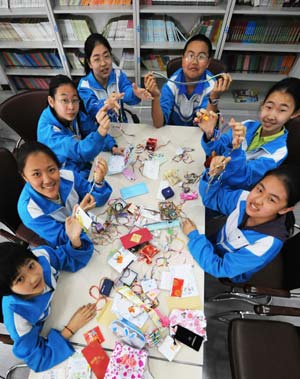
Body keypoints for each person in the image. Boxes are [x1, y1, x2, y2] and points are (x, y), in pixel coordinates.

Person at [0, 215, 96, 372]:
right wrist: (70, 329)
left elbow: (67, 258)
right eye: (19, 279)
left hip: (68, 298)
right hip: (51, 326)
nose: (33, 278)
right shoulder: (16, 316)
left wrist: (74, 241)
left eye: (31, 266)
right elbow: (37, 358)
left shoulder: (41, 256)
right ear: (8, 290)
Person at [182, 164, 300, 284]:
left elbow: (220, 268)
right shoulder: (244, 198)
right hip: (213, 245)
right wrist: (212, 176)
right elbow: (212, 198)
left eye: (271, 200)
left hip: (227, 271)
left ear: (284, 210)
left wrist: (194, 237)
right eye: (259, 189)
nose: (257, 200)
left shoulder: (266, 243)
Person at [196, 77, 300, 190]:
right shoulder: (247, 125)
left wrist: (236, 149)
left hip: (236, 194)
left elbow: (244, 178)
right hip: (215, 179)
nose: (271, 116)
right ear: (262, 104)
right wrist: (210, 134)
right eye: (269, 107)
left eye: (282, 110)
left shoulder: (279, 152)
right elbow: (217, 150)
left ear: (294, 113)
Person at [17, 142, 112, 248]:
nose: (47, 180)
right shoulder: (29, 210)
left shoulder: (67, 176)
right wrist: (80, 215)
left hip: (89, 227)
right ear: (25, 177)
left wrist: (98, 182)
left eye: (51, 169)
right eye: (36, 174)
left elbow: (94, 196)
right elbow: (63, 239)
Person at [37, 74, 124, 180]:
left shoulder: (75, 115)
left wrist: (112, 146)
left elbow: (91, 130)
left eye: (74, 100)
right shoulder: (48, 132)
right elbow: (79, 152)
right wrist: (101, 131)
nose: (71, 107)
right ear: (51, 101)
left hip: (84, 166)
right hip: (65, 179)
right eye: (64, 100)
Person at [144, 33, 232, 127]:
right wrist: (156, 97)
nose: (194, 62)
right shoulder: (171, 85)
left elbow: (206, 126)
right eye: (190, 55)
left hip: (198, 132)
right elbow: (158, 124)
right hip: (173, 132)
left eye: (201, 57)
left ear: (208, 63)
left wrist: (214, 98)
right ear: (183, 59)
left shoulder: (211, 87)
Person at [78, 33, 152, 123]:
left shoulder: (117, 75)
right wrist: (106, 104)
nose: (103, 63)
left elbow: (126, 92)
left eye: (106, 56)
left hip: (121, 127)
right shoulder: (84, 86)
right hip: (99, 132)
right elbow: (92, 108)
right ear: (89, 63)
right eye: (97, 59)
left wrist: (134, 93)